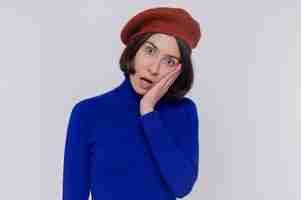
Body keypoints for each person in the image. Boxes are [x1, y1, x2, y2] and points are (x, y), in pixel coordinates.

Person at [62, 6, 202, 200]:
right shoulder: (88, 113)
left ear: (179, 70)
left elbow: (182, 186)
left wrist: (148, 113)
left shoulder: (184, 111)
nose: (154, 68)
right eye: (150, 50)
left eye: (169, 61)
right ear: (134, 50)